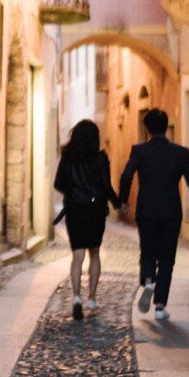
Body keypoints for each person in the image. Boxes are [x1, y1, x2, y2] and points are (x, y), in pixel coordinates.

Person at [118, 107, 189, 321]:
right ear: (166, 128)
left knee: (147, 251)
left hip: (146, 210)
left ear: (146, 129)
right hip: (170, 211)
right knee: (167, 258)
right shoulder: (180, 152)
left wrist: (123, 201)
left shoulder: (139, 151)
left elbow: (126, 176)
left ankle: (148, 281)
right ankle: (160, 306)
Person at [53, 119, 121, 320]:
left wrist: (73, 193)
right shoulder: (100, 159)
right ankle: (91, 298)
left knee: (77, 255)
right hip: (95, 210)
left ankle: (76, 298)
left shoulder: (68, 157)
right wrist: (117, 203)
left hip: (75, 210)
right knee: (95, 253)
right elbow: (106, 186)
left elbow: (59, 183)